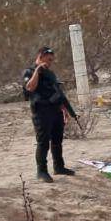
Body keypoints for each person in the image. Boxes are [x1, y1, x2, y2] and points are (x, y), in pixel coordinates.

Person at [23, 47, 77, 183]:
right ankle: (41, 171)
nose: (50, 62)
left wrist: (64, 109)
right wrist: (37, 71)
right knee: (43, 142)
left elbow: (57, 92)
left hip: (55, 110)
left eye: (52, 60)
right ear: (40, 56)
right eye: (48, 59)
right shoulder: (29, 71)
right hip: (41, 112)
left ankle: (59, 166)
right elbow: (29, 87)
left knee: (57, 140)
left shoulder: (50, 74)